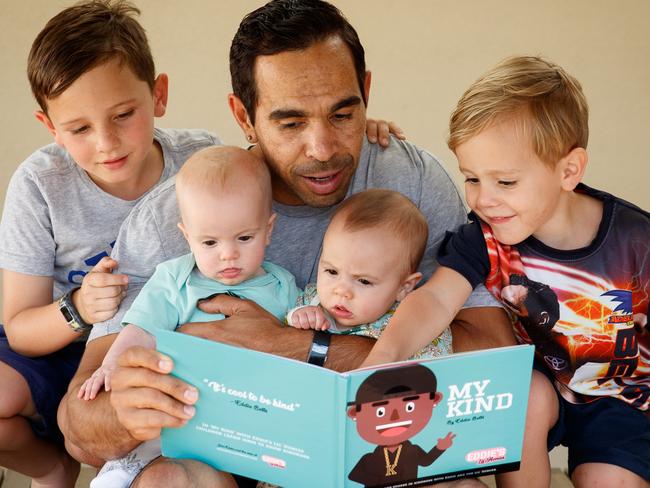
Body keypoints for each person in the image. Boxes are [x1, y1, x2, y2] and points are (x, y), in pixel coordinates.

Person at [58, 1, 513, 486]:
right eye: (291, 123)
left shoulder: (411, 182)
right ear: (244, 116)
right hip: (220, 458)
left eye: (343, 113)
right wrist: (127, 412)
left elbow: (493, 360)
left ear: (367, 92)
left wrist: (292, 347)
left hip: (376, 447)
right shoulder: (180, 211)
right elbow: (79, 432)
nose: (322, 149)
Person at [361, 56, 650, 487]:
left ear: (568, 171)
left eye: (505, 182)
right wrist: (383, 359)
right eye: (472, 178)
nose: (484, 199)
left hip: (622, 397)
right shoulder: (485, 236)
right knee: (526, 396)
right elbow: (436, 299)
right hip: (539, 387)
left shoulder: (636, 240)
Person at [0, 1, 222, 486]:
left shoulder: (202, 160)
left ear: (159, 95)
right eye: (79, 129)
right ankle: (52, 467)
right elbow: (19, 327)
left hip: (144, 343)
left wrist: (374, 131)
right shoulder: (39, 184)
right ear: (50, 127)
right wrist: (78, 307)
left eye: (124, 114)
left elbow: (268, 168)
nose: (106, 142)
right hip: (55, 342)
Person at [79, 145, 299, 487]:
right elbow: (141, 330)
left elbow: (295, 342)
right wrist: (111, 365)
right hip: (179, 407)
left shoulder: (282, 285)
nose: (228, 255)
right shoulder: (175, 279)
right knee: (154, 436)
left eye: (244, 237)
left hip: (246, 418)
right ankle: (123, 469)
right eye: (209, 243)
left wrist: (310, 317)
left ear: (268, 230)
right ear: (187, 237)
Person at [286, 188, 452, 359]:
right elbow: (279, 333)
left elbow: (433, 370)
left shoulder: (412, 325)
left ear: (404, 286)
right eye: (332, 271)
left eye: (364, 281)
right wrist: (297, 316)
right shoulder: (313, 300)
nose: (341, 290)